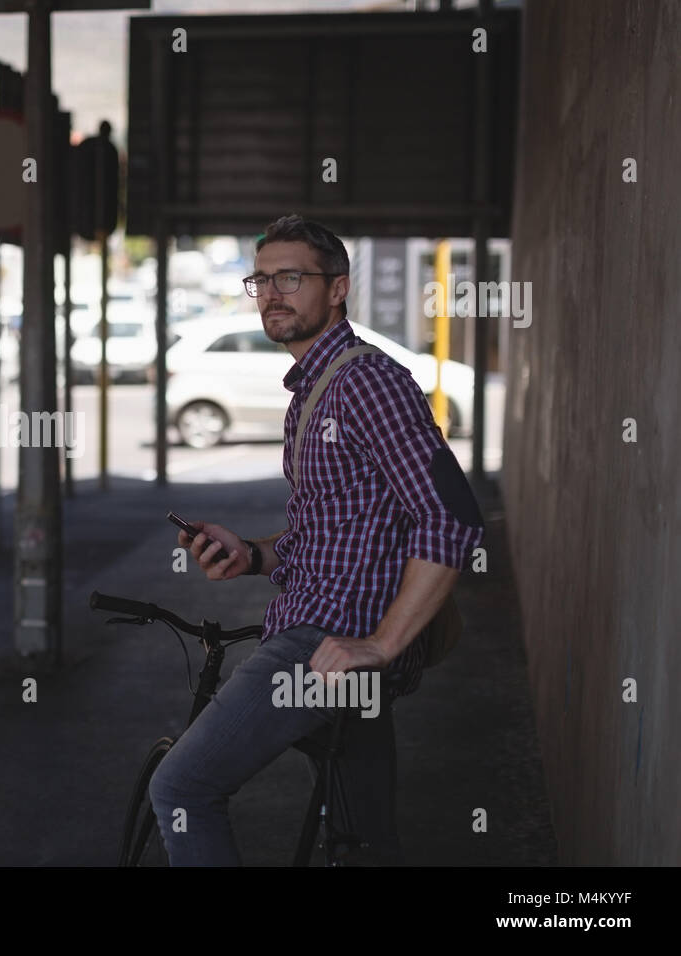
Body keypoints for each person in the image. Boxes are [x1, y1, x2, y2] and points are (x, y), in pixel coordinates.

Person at [147, 214, 486, 866]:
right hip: (337, 653)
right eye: (261, 279)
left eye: (291, 278)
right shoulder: (313, 391)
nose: (272, 293)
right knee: (363, 844)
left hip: (325, 649)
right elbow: (329, 533)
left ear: (337, 289)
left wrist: (381, 644)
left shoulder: (367, 383)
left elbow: (452, 517)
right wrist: (251, 555)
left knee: (183, 787)